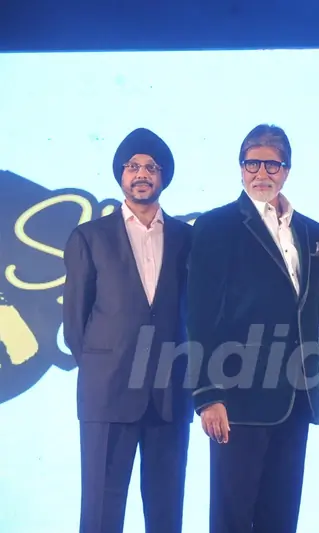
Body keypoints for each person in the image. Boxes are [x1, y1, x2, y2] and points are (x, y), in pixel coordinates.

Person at [188, 124, 319, 533]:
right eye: (252, 163)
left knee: (281, 519)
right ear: (240, 167)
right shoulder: (215, 226)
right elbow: (199, 314)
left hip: (296, 396)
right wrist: (208, 395)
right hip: (238, 399)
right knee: (231, 519)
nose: (261, 173)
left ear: (287, 170)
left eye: (271, 164)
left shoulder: (312, 232)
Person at [63, 127, 192, 533]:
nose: (142, 174)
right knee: (101, 513)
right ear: (120, 174)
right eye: (133, 166)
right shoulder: (90, 237)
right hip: (108, 395)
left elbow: (193, 316)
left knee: (166, 514)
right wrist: (108, 367)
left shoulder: (188, 238)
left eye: (151, 167)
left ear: (164, 176)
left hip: (170, 396)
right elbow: (75, 326)